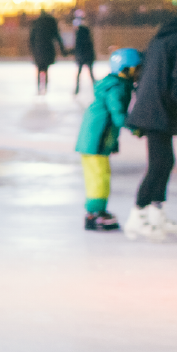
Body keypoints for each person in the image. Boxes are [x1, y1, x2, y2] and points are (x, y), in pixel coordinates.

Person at [124, 0, 177, 241]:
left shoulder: (163, 35)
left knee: (166, 161)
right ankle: (137, 216)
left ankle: (156, 213)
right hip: (160, 108)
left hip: (152, 105)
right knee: (159, 164)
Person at [74, 48, 141, 232]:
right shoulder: (117, 87)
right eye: (136, 69)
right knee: (99, 178)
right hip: (96, 141)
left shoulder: (114, 83)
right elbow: (118, 115)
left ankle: (94, 212)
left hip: (93, 139)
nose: (138, 73)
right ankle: (95, 214)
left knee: (96, 176)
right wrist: (136, 128)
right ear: (125, 69)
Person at [28, 9, 65, 95]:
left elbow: (31, 39)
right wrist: (62, 50)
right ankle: (45, 88)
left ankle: (39, 88)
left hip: (38, 50)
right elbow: (57, 36)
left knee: (39, 69)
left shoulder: (36, 23)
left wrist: (32, 50)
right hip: (48, 49)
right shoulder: (51, 22)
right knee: (46, 69)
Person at [71, 9, 96, 94]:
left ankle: (77, 89)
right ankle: (96, 87)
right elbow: (90, 45)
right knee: (90, 74)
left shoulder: (79, 34)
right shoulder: (87, 33)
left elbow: (78, 47)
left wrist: (77, 55)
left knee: (80, 73)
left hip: (82, 56)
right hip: (88, 56)